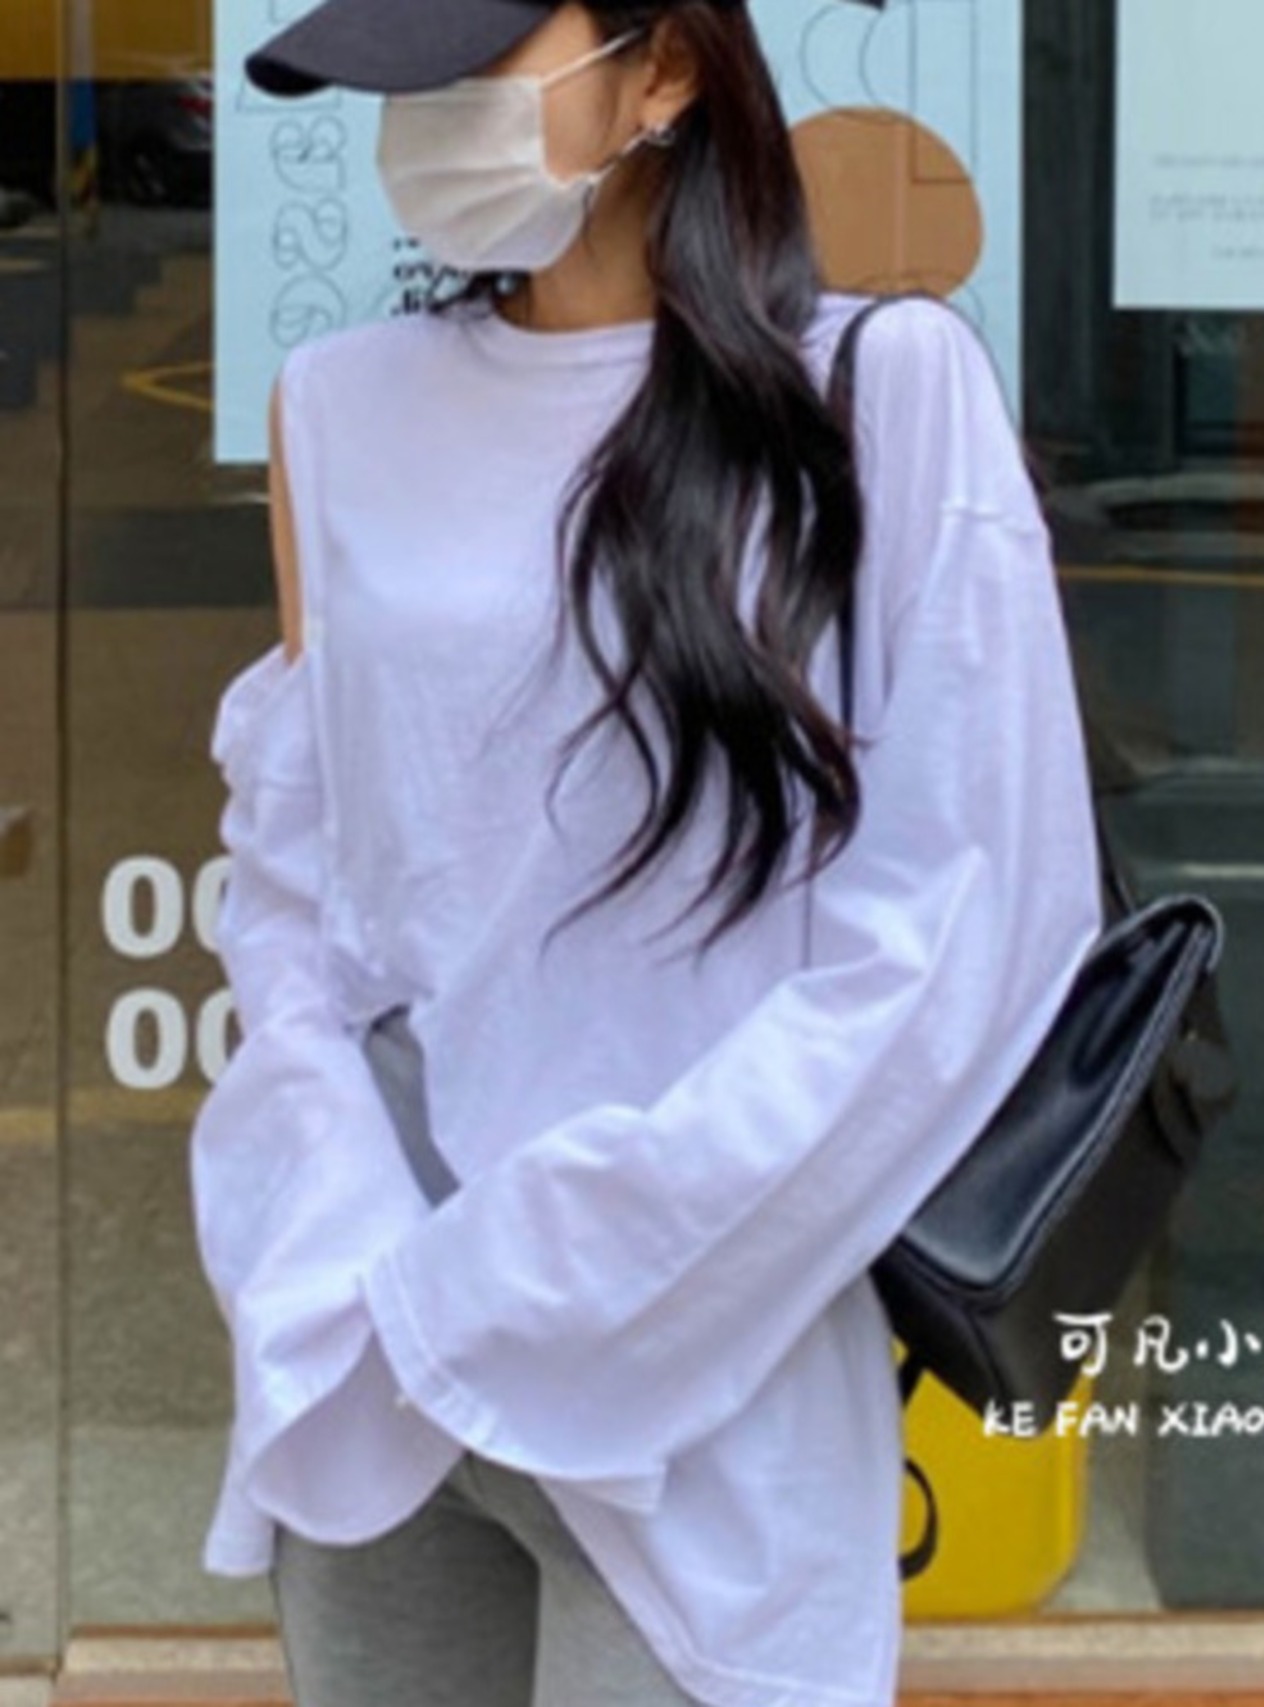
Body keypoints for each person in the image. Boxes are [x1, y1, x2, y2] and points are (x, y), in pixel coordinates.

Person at [188, 2, 1104, 1704]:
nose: (425, 119)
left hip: (705, 1380)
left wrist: (565, 1257)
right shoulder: (340, 406)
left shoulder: (880, 396)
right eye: (398, 83)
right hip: (380, 1350)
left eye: (475, 64)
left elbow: (963, 925)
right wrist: (317, 1235)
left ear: (667, 68)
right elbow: (303, 885)